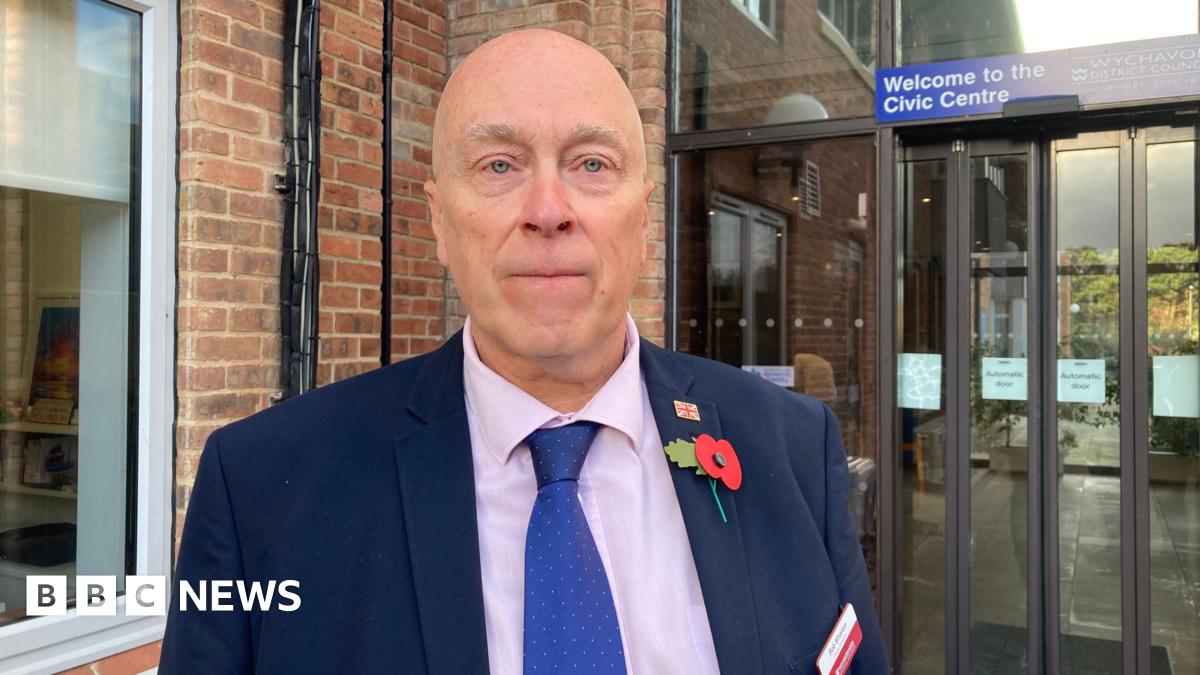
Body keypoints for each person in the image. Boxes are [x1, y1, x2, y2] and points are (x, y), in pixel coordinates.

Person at [159, 28, 888, 675]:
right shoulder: (261, 488)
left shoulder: (791, 448)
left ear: (646, 217)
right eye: (499, 166)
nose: (548, 210)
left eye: (592, 164)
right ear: (440, 220)